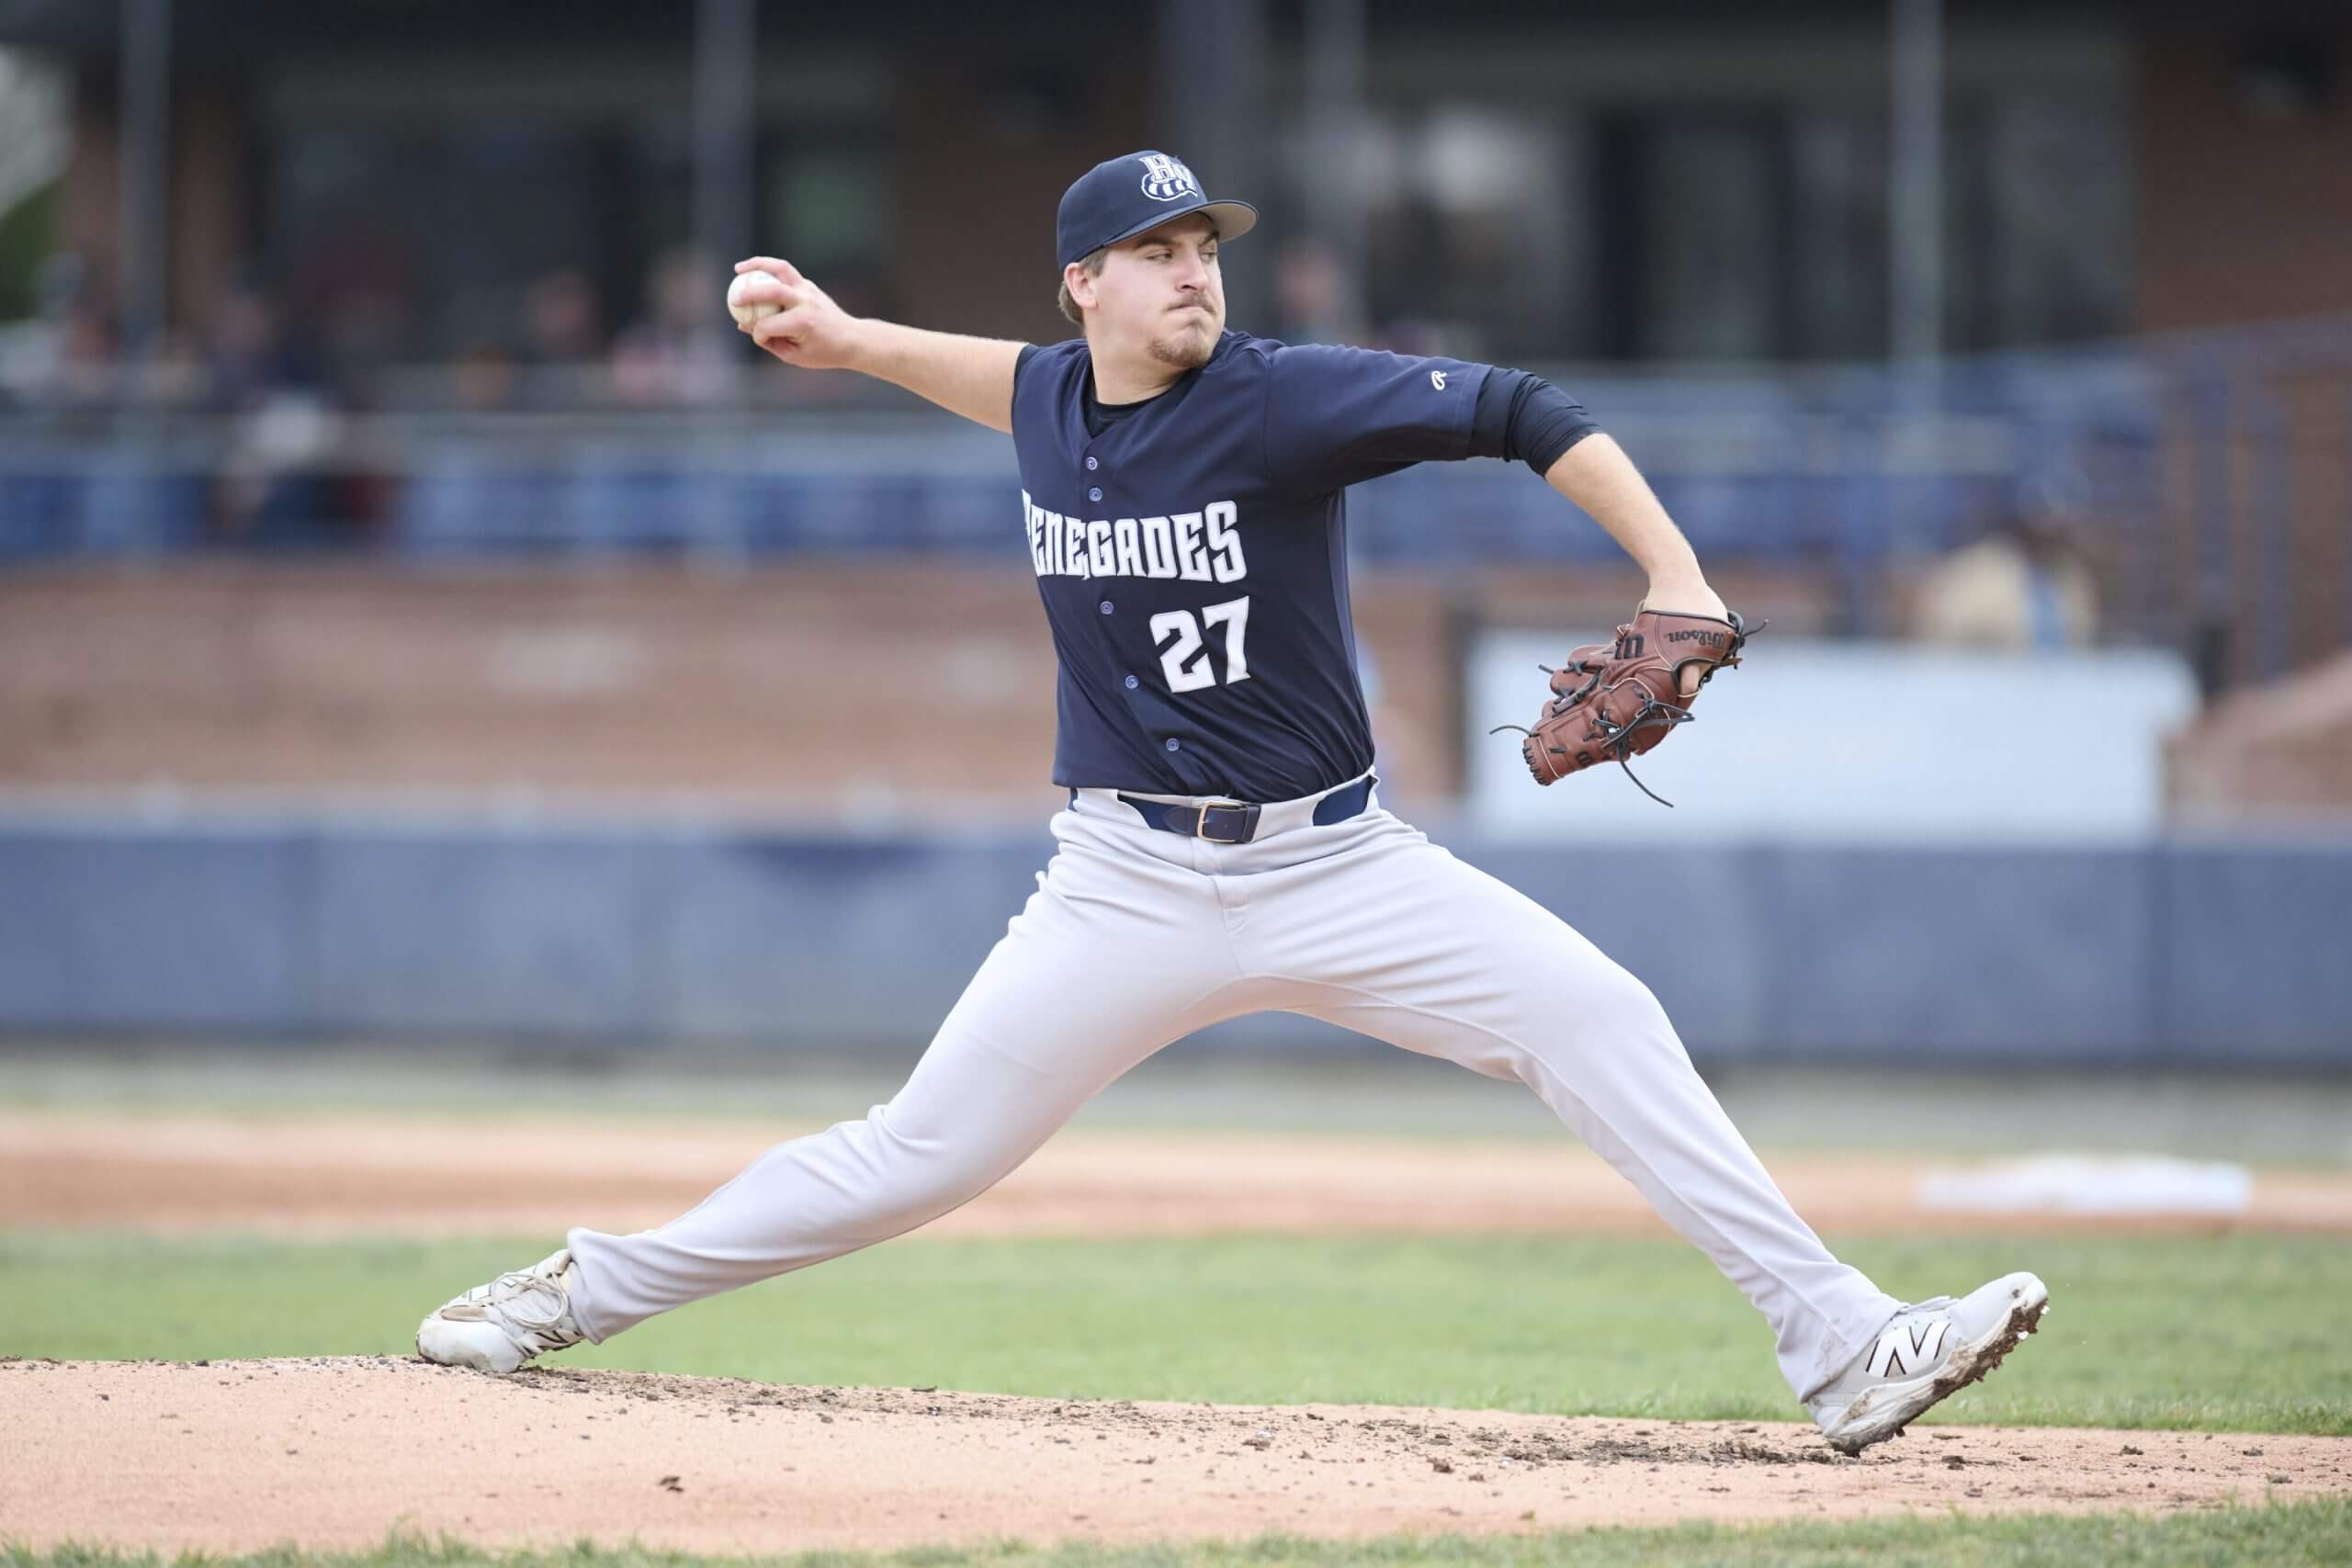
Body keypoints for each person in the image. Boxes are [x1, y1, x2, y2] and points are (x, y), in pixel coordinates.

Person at [417, 151, 2048, 1454]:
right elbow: (995, 378)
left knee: (1601, 1019)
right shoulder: (1057, 400)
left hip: (1340, 865)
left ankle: (1842, 1347)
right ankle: (574, 1294)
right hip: (1121, 882)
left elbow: (1522, 410)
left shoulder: (1278, 395)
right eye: (1161, 250)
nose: (1197, 269)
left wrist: (1675, 570)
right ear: (1088, 285)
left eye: (1208, 246)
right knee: (912, 1157)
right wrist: (841, 341)